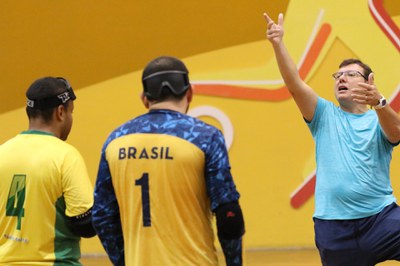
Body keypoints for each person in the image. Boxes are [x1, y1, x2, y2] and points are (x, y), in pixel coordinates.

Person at [263, 12, 400, 265]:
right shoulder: (324, 115)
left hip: (382, 219)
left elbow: (396, 133)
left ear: (369, 82)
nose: (342, 79)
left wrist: (380, 103)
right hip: (334, 228)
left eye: (350, 75)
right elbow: (294, 84)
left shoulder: (378, 118)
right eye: (338, 76)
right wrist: (278, 44)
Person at [92, 56, 245, 266]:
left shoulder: (115, 140)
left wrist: (125, 261)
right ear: (190, 93)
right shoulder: (205, 137)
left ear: (144, 99)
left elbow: (102, 216)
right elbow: (229, 216)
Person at [0, 77, 96, 265]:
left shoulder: (2, 152)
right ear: (61, 112)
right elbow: (84, 224)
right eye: (71, 112)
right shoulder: (66, 156)